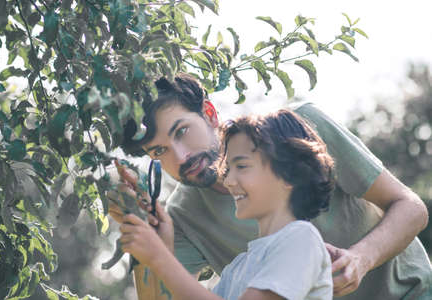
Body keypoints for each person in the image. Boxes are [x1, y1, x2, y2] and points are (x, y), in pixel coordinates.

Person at [110, 73, 431, 300]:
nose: (181, 157)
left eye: (182, 132)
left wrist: (361, 259)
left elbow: (412, 208)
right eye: (159, 151)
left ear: (209, 114)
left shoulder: (302, 128)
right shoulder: (181, 217)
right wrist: (143, 237)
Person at [119, 109, 335, 300]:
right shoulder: (237, 268)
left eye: (242, 166)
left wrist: (160, 257)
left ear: (289, 174)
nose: (229, 181)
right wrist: (163, 244)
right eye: (228, 169)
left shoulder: (301, 239)